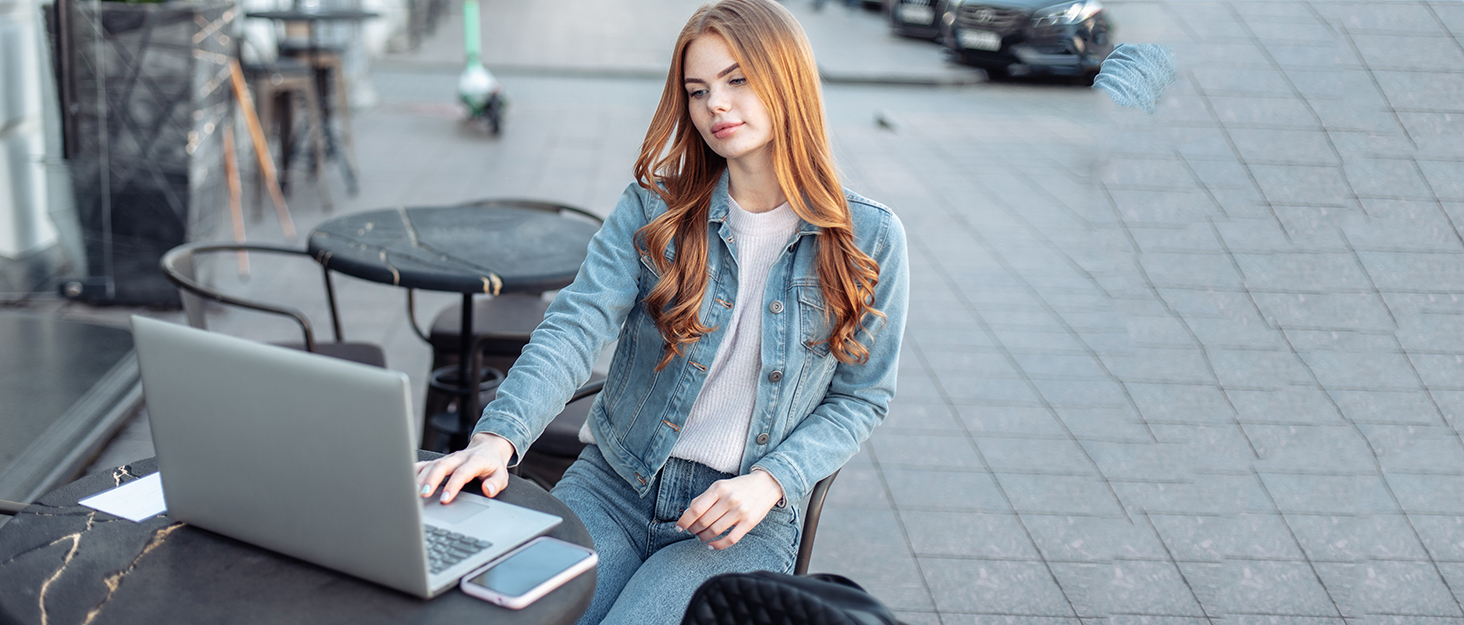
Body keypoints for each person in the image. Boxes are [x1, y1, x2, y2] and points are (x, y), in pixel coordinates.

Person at [414, 0, 909, 622]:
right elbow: (576, 324)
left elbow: (862, 397)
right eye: (698, 91)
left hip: (739, 518)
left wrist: (774, 480)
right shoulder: (656, 207)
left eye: (737, 80)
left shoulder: (870, 236)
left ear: (788, 79)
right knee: (512, 614)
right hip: (614, 483)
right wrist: (498, 436)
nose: (715, 107)